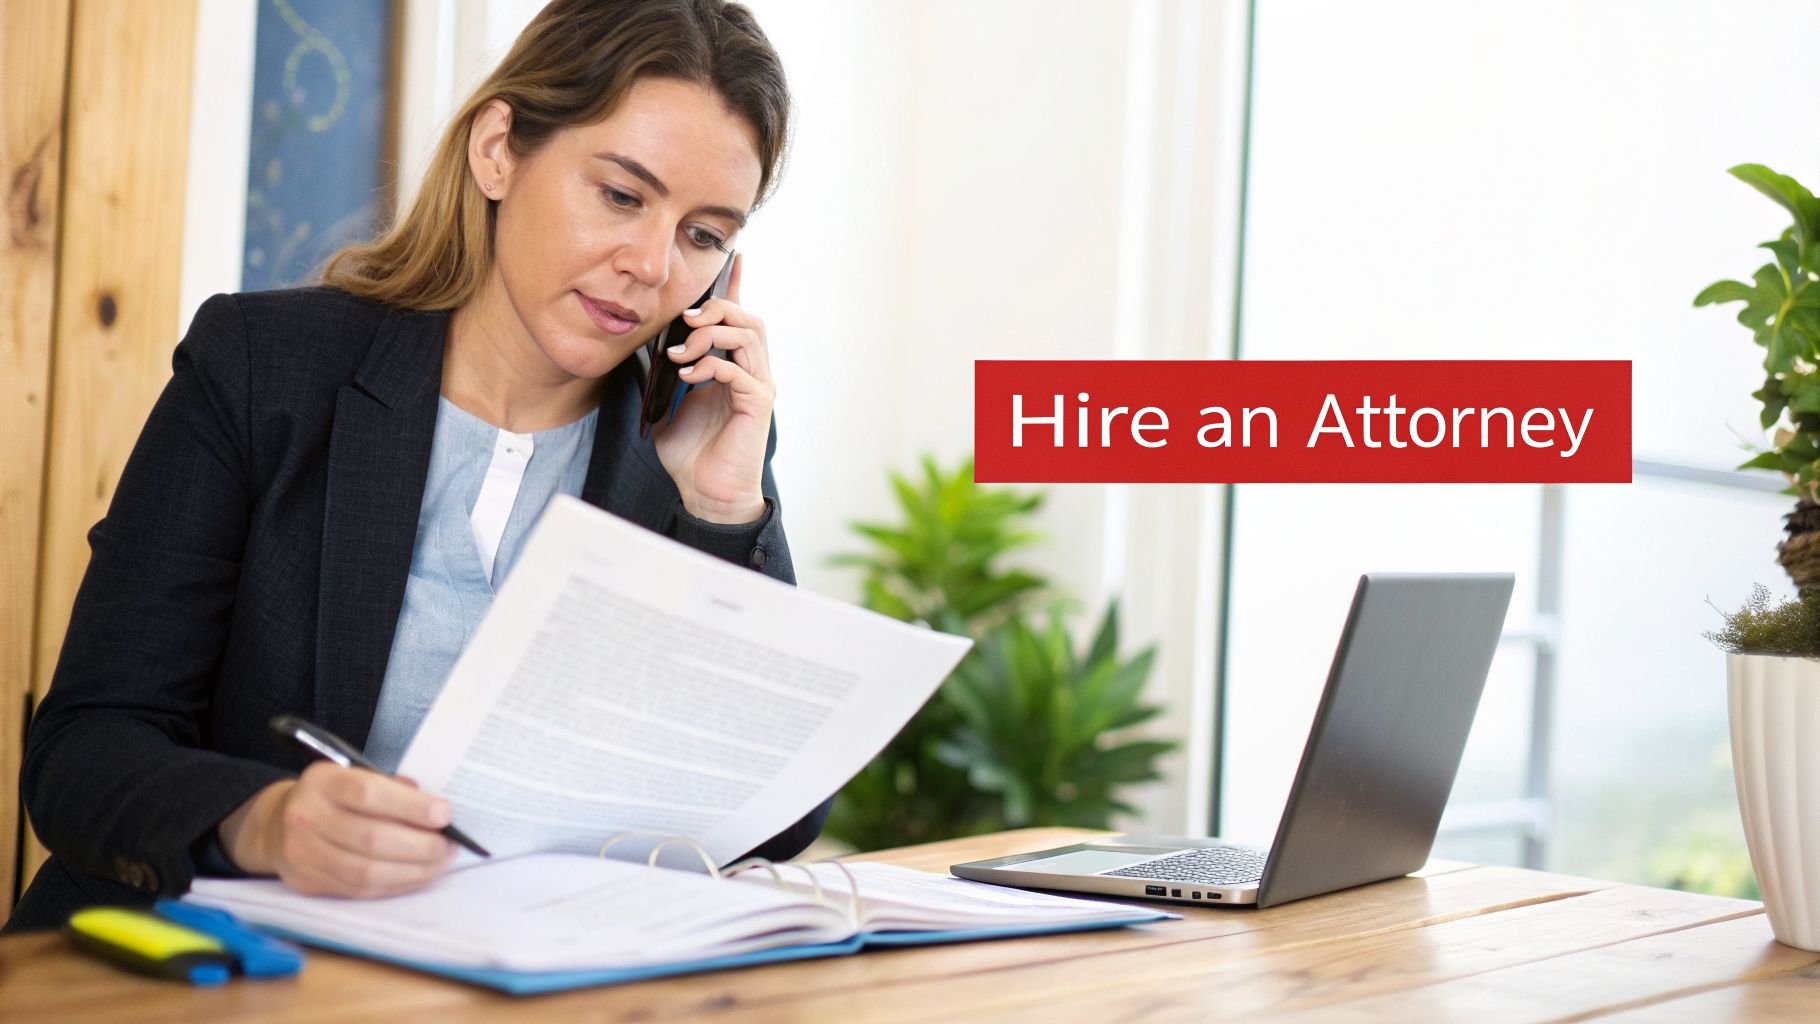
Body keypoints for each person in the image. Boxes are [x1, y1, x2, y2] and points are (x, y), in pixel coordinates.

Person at [7, 0, 828, 932]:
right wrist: (265, 821)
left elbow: (777, 823)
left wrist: (721, 510)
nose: (651, 265)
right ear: (498, 149)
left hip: (509, 980)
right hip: (216, 968)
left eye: (703, 235)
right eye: (622, 195)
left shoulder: (684, 445)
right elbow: (84, 752)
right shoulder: (260, 369)